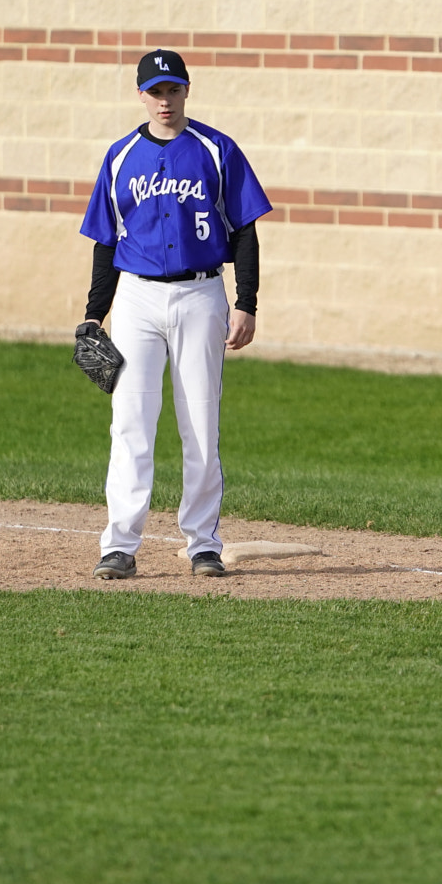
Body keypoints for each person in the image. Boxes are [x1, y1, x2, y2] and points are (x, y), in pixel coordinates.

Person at [78, 48, 273, 581]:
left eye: (174, 89)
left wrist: (247, 302)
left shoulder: (216, 149)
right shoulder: (120, 156)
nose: (165, 100)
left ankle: (203, 543)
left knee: (200, 424)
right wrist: (96, 314)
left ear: (188, 90)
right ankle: (120, 544)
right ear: (140, 95)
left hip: (201, 295)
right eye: (155, 91)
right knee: (131, 424)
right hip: (137, 300)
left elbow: (245, 230)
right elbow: (105, 240)